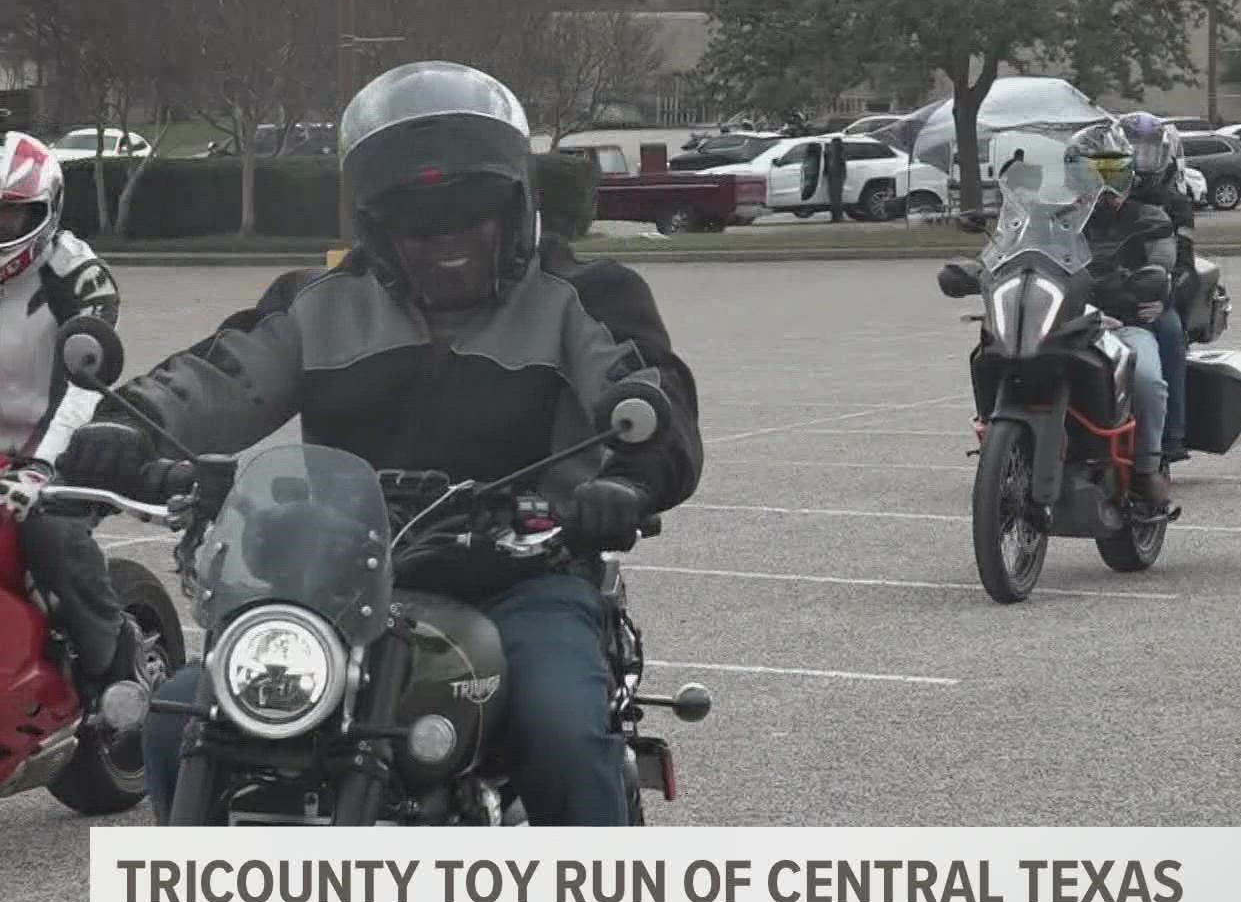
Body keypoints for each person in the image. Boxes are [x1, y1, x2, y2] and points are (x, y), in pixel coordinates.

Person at [58, 61, 704, 826]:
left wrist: (627, 483)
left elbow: (653, 399)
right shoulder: (318, 305)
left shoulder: (584, 297)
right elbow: (212, 380)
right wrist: (120, 429)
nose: (445, 240)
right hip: (337, 588)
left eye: (469, 213)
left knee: (562, 730)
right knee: (180, 717)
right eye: (416, 223)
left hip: (523, 579)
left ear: (514, 205)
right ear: (377, 225)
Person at [0, 131, 140, 700]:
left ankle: (118, 670)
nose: (0, 231)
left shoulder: (77, 275)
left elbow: (83, 387)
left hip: (62, 440)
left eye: (13, 217)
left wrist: (37, 468)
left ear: (49, 210)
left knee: (49, 531)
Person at [1067, 122, 1176, 512]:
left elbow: (1163, 259)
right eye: (1093, 172)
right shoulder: (1054, 219)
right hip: (1062, 325)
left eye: (1113, 170)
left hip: (1122, 325)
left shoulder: (1148, 214)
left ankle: (1146, 469)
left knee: (1146, 379)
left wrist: (1153, 284)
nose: (1104, 183)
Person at [1116, 112, 1194, 466]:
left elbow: (1184, 267)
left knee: (1170, 331)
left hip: (1150, 295)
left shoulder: (1173, 203)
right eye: (1130, 151)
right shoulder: (1093, 195)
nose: (1138, 159)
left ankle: (1169, 437)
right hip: (1101, 293)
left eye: (1146, 152)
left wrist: (1163, 297)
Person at [826, 136, 848, 223]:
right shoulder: (830, 154)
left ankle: (838, 217)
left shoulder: (839, 155)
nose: (831, 145)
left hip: (837, 177)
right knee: (834, 198)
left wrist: (842, 177)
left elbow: (843, 167)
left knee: (836, 198)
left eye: (833, 143)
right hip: (832, 177)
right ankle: (835, 217)